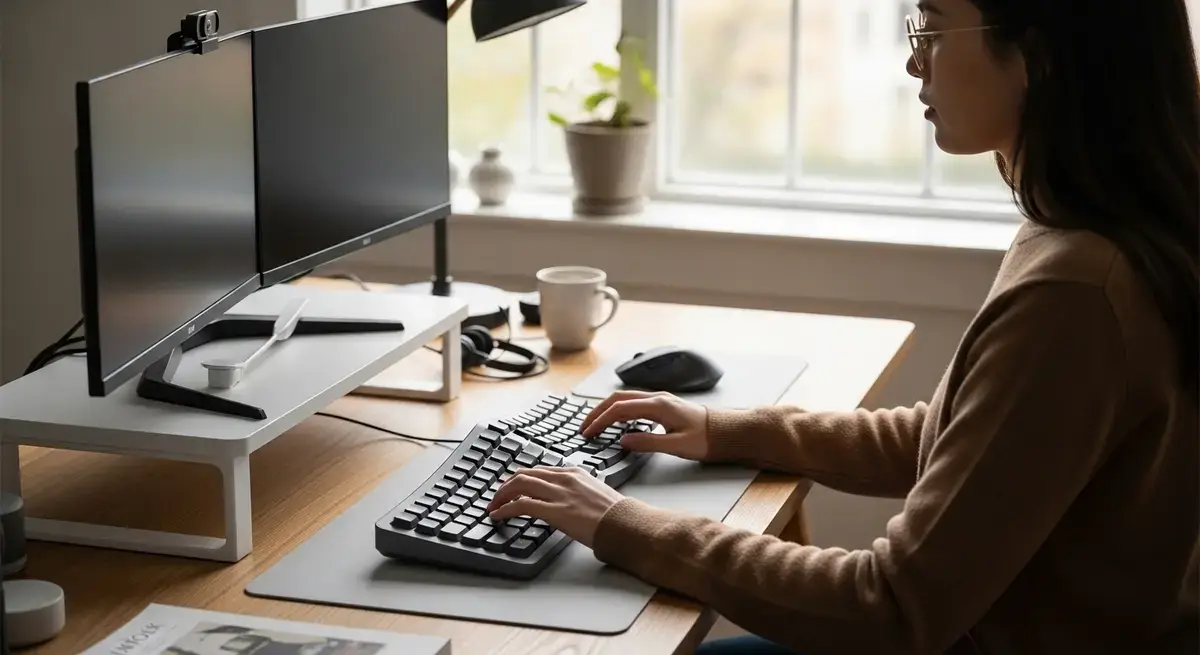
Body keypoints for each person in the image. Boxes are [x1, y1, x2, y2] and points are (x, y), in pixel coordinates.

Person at [486, 0, 1200, 652]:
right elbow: (954, 439)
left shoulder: (1076, 293)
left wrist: (623, 523)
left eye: (932, 25)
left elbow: (888, 605)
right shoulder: (1088, 236)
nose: (914, 59)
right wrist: (726, 430)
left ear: (1038, 59)